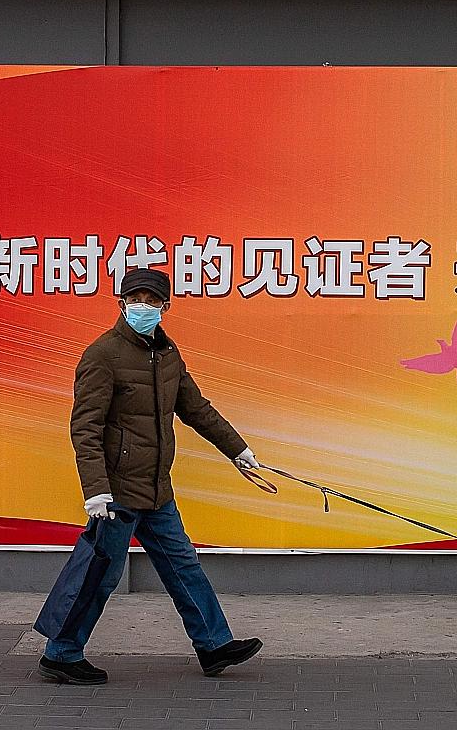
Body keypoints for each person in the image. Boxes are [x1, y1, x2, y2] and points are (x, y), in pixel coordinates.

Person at [37, 266, 264, 685]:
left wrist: (239, 449)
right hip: (118, 492)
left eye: (152, 300)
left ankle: (214, 645)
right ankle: (61, 653)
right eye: (135, 299)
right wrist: (95, 489)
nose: (143, 306)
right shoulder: (102, 354)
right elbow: (85, 426)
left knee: (185, 566)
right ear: (122, 304)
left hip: (158, 489)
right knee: (100, 575)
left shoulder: (169, 355)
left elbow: (197, 408)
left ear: (166, 307)